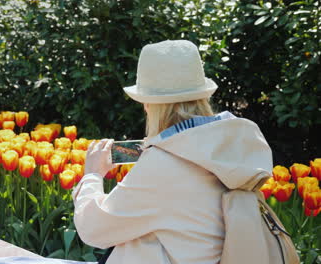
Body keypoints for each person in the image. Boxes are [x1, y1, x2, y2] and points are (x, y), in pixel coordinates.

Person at [72, 40, 274, 264]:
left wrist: (92, 175)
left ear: (150, 105)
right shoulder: (234, 147)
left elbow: (94, 229)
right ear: (202, 96)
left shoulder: (165, 164)